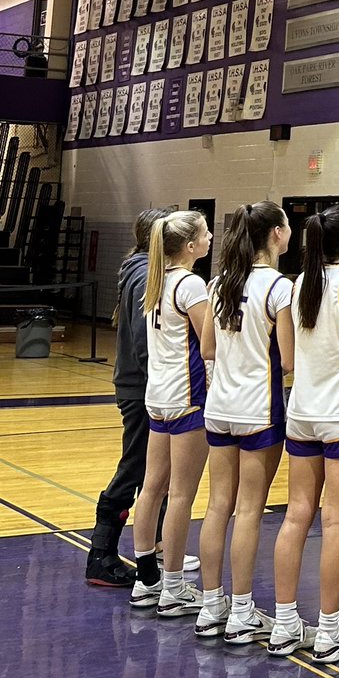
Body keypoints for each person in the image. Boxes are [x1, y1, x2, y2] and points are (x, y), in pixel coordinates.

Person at [268, 204, 339, 664]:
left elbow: (290, 357)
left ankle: (283, 622)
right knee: (335, 522)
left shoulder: (298, 284)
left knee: (296, 516)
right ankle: (329, 629)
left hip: (302, 412)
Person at [195, 202, 293, 643]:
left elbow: (207, 350)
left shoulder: (217, 283)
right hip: (259, 410)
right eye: (287, 225)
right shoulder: (278, 287)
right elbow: (288, 360)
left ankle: (210, 603)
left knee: (218, 505)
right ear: (276, 233)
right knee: (249, 510)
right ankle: (240, 611)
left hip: (218, 408)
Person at [128, 210, 212, 617]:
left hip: (157, 396)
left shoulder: (156, 280)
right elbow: (210, 346)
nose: (211, 236)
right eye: (205, 232)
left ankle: (146, 579)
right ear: (191, 246)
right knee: (181, 493)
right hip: (188, 398)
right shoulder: (191, 284)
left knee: (152, 487)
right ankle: (174, 586)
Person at [86, 208, 169, 587]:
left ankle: (155, 546)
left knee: (155, 471)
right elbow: (143, 343)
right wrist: (164, 386)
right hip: (143, 390)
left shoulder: (143, 270)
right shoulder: (142, 275)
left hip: (144, 387)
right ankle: (101, 554)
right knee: (135, 468)